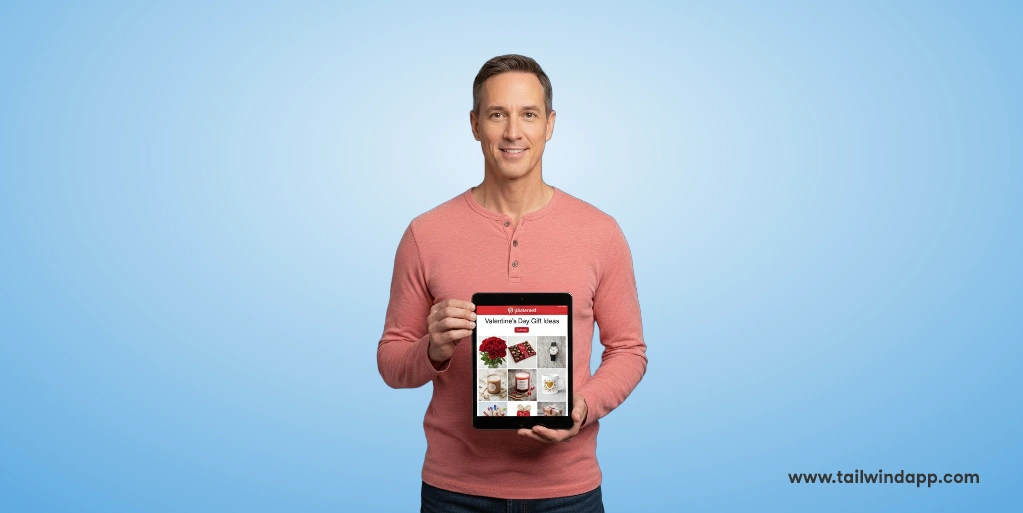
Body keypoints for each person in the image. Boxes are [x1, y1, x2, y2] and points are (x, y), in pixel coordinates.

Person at [377, 54, 647, 512]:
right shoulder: (425, 233)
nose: (513, 132)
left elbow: (629, 351)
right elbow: (390, 360)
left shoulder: (601, 232)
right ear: (475, 124)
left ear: (550, 124)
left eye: (528, 114)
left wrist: (582, 407)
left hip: (568, 490)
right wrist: (432, 349)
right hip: (454, 492)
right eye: (497, 114)